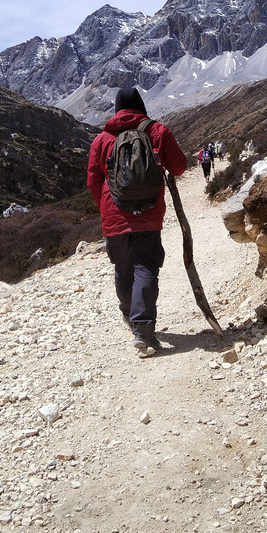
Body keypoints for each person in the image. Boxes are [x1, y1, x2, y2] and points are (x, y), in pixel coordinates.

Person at [87, 86, 187, 356]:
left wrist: (107, 208)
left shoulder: (102, 139)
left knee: (123, 268)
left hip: (114, 216)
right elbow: (179, 167)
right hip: (149, 214)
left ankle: (131, 318)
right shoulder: (157, 131)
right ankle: (143, 331)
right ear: (141, 105)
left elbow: (93, 181)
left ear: (117, 108)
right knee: (145, 267)